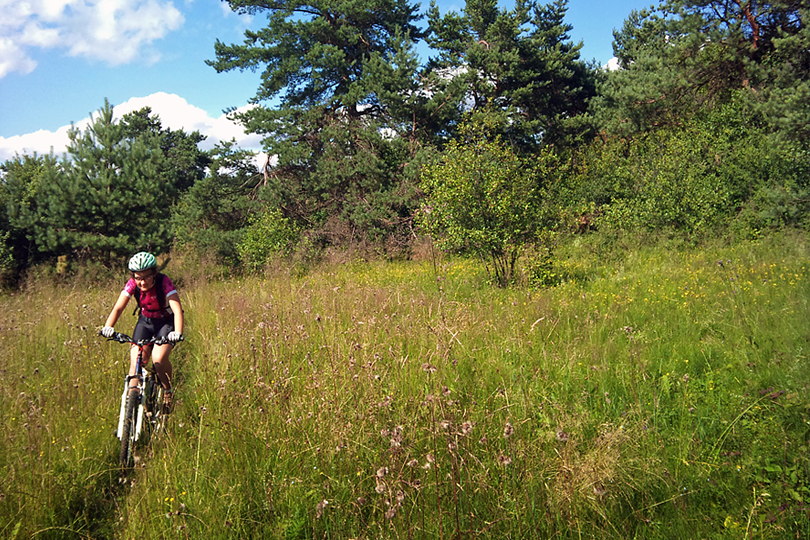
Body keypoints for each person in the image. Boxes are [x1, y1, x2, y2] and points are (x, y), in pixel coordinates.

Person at [101, 252, 184, 413]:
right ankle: (129, 415)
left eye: (146, 277)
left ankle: (167, 391)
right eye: (138, 278)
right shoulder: (132, 284)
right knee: (136, 362)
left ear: (154, 273)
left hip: (165, 322)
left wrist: (178, 332)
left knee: (158, 358)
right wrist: (108, 327)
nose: (142, 282)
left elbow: (177, 309)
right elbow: (118, 307)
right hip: (145, 322)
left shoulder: (163, 282)